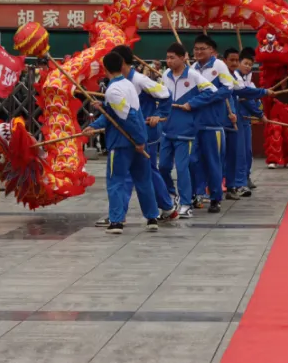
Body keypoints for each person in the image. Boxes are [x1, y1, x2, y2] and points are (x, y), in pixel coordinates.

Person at [80, 51, 160, 234]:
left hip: (123, 144)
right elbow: (113, 114)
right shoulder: (127, 84)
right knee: (143, 181)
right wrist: (94, 125)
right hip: (137, 141)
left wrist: (139, 141)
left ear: (106, 68)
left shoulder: (113, 90)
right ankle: (152, 217)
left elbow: (129, 116)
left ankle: (116, 222)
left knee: (116, 182)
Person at [112, 45, 176, 220]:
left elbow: (165, 93)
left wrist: (158, 114)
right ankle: (167, 207)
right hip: (129, 134)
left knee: (135, 173)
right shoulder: (120, 82)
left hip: (146, 132)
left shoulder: (140, 80)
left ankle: (118, 216)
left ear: (123, 63)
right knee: (142, 171)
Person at [159, 42, 221, 218]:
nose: (169, 61)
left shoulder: (193, 75)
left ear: (182, 58)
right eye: (167, 58)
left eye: (172, 58)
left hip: (186, 130)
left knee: (182, 167)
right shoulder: (165, 75)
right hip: (167, 128)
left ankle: (186, 203)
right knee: (162, 166)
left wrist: (191, 104)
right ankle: (172, 194)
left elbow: (212, 91)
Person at [191, 35, 235, 213]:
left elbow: (228, 88)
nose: (199, 52)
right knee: (194, 161)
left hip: (213, 123)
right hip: (194, 123)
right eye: (196, 49)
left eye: (203, 48)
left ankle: (215, 197)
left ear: (212, 51)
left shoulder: (219, 66)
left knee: (213, 162)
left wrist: (207, 98)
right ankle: (198, 193)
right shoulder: (192, 68)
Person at [235, 48, 265, 193]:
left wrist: (259, 108)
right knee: (240, 152)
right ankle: (239, 182)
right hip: (238, 119)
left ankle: (245, 177)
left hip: (246, 119)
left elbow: (253, 98)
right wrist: (260, 114)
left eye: (250, 64)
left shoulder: (249, 79)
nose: (247, 66)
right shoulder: (235, 77)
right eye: (245, 63)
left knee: (247, 151)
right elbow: (246, 98)